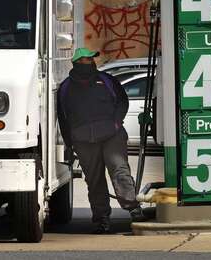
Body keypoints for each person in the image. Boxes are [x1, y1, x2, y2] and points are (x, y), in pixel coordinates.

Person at [56, 47, 146, 234]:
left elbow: (123, 101)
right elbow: (63, 118)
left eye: (91, 60)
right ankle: (101, 219)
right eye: (86, 60)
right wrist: (69, 144)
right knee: (94, 181)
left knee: (120, 170)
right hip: (83, 140)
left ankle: (133, 208)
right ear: (76, 63)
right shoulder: (65, 88)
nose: (90, 63)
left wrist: (116, 123)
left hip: (112, 136)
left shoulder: (106, 80)